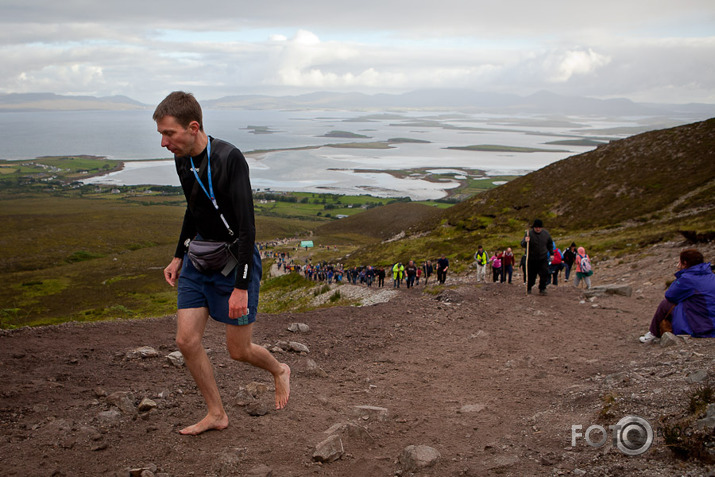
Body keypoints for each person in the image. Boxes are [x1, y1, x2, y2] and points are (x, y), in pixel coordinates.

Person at [154, 92, 290, 436]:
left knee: (238, 350)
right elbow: (195, 207)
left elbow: (247, 226)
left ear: (193, 126)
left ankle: (279, 370)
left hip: (234, 263)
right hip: (200, 259)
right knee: (186, 340)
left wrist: (242, 286)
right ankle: (216, 413)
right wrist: (178, 255)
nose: (163, 142)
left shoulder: (230, 158)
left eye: (169, 134)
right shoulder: (181, 158)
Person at [640, 249, 715, 342]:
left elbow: (670, 295)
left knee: (666, 304)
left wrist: (681, 273)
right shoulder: (711, 275)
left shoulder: (688, 278)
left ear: (684, 263)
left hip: (700, 326)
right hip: (712, 323)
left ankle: (653, 333)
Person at [521, 219, 554, 295]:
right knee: (531, 275)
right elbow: (522, 244)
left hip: (543, 258)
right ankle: (529, 288)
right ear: (534, 227)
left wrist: (552, 254)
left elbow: (550, 244)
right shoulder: (529, 234)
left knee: (544, 274)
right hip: (532, 259)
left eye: (539, 227)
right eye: (536, 227)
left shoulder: (546, 234)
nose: (538, 229)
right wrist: (525, 241)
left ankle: (542, 288)